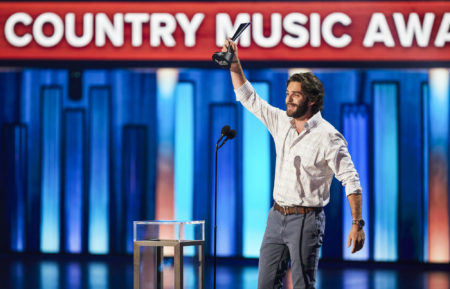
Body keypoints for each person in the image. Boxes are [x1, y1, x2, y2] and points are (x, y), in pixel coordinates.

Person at [221, 39, 365, 289]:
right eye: (287, 94)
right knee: (266, 284)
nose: (288, 99)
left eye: (295, 95)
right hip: (276, 216)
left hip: (306, 219)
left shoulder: (328, 136)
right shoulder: (281, 122)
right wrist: (235, 64)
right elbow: (248, 97)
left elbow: (351, 180)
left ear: (311, 100)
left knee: (301, 285)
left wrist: (357, 224)